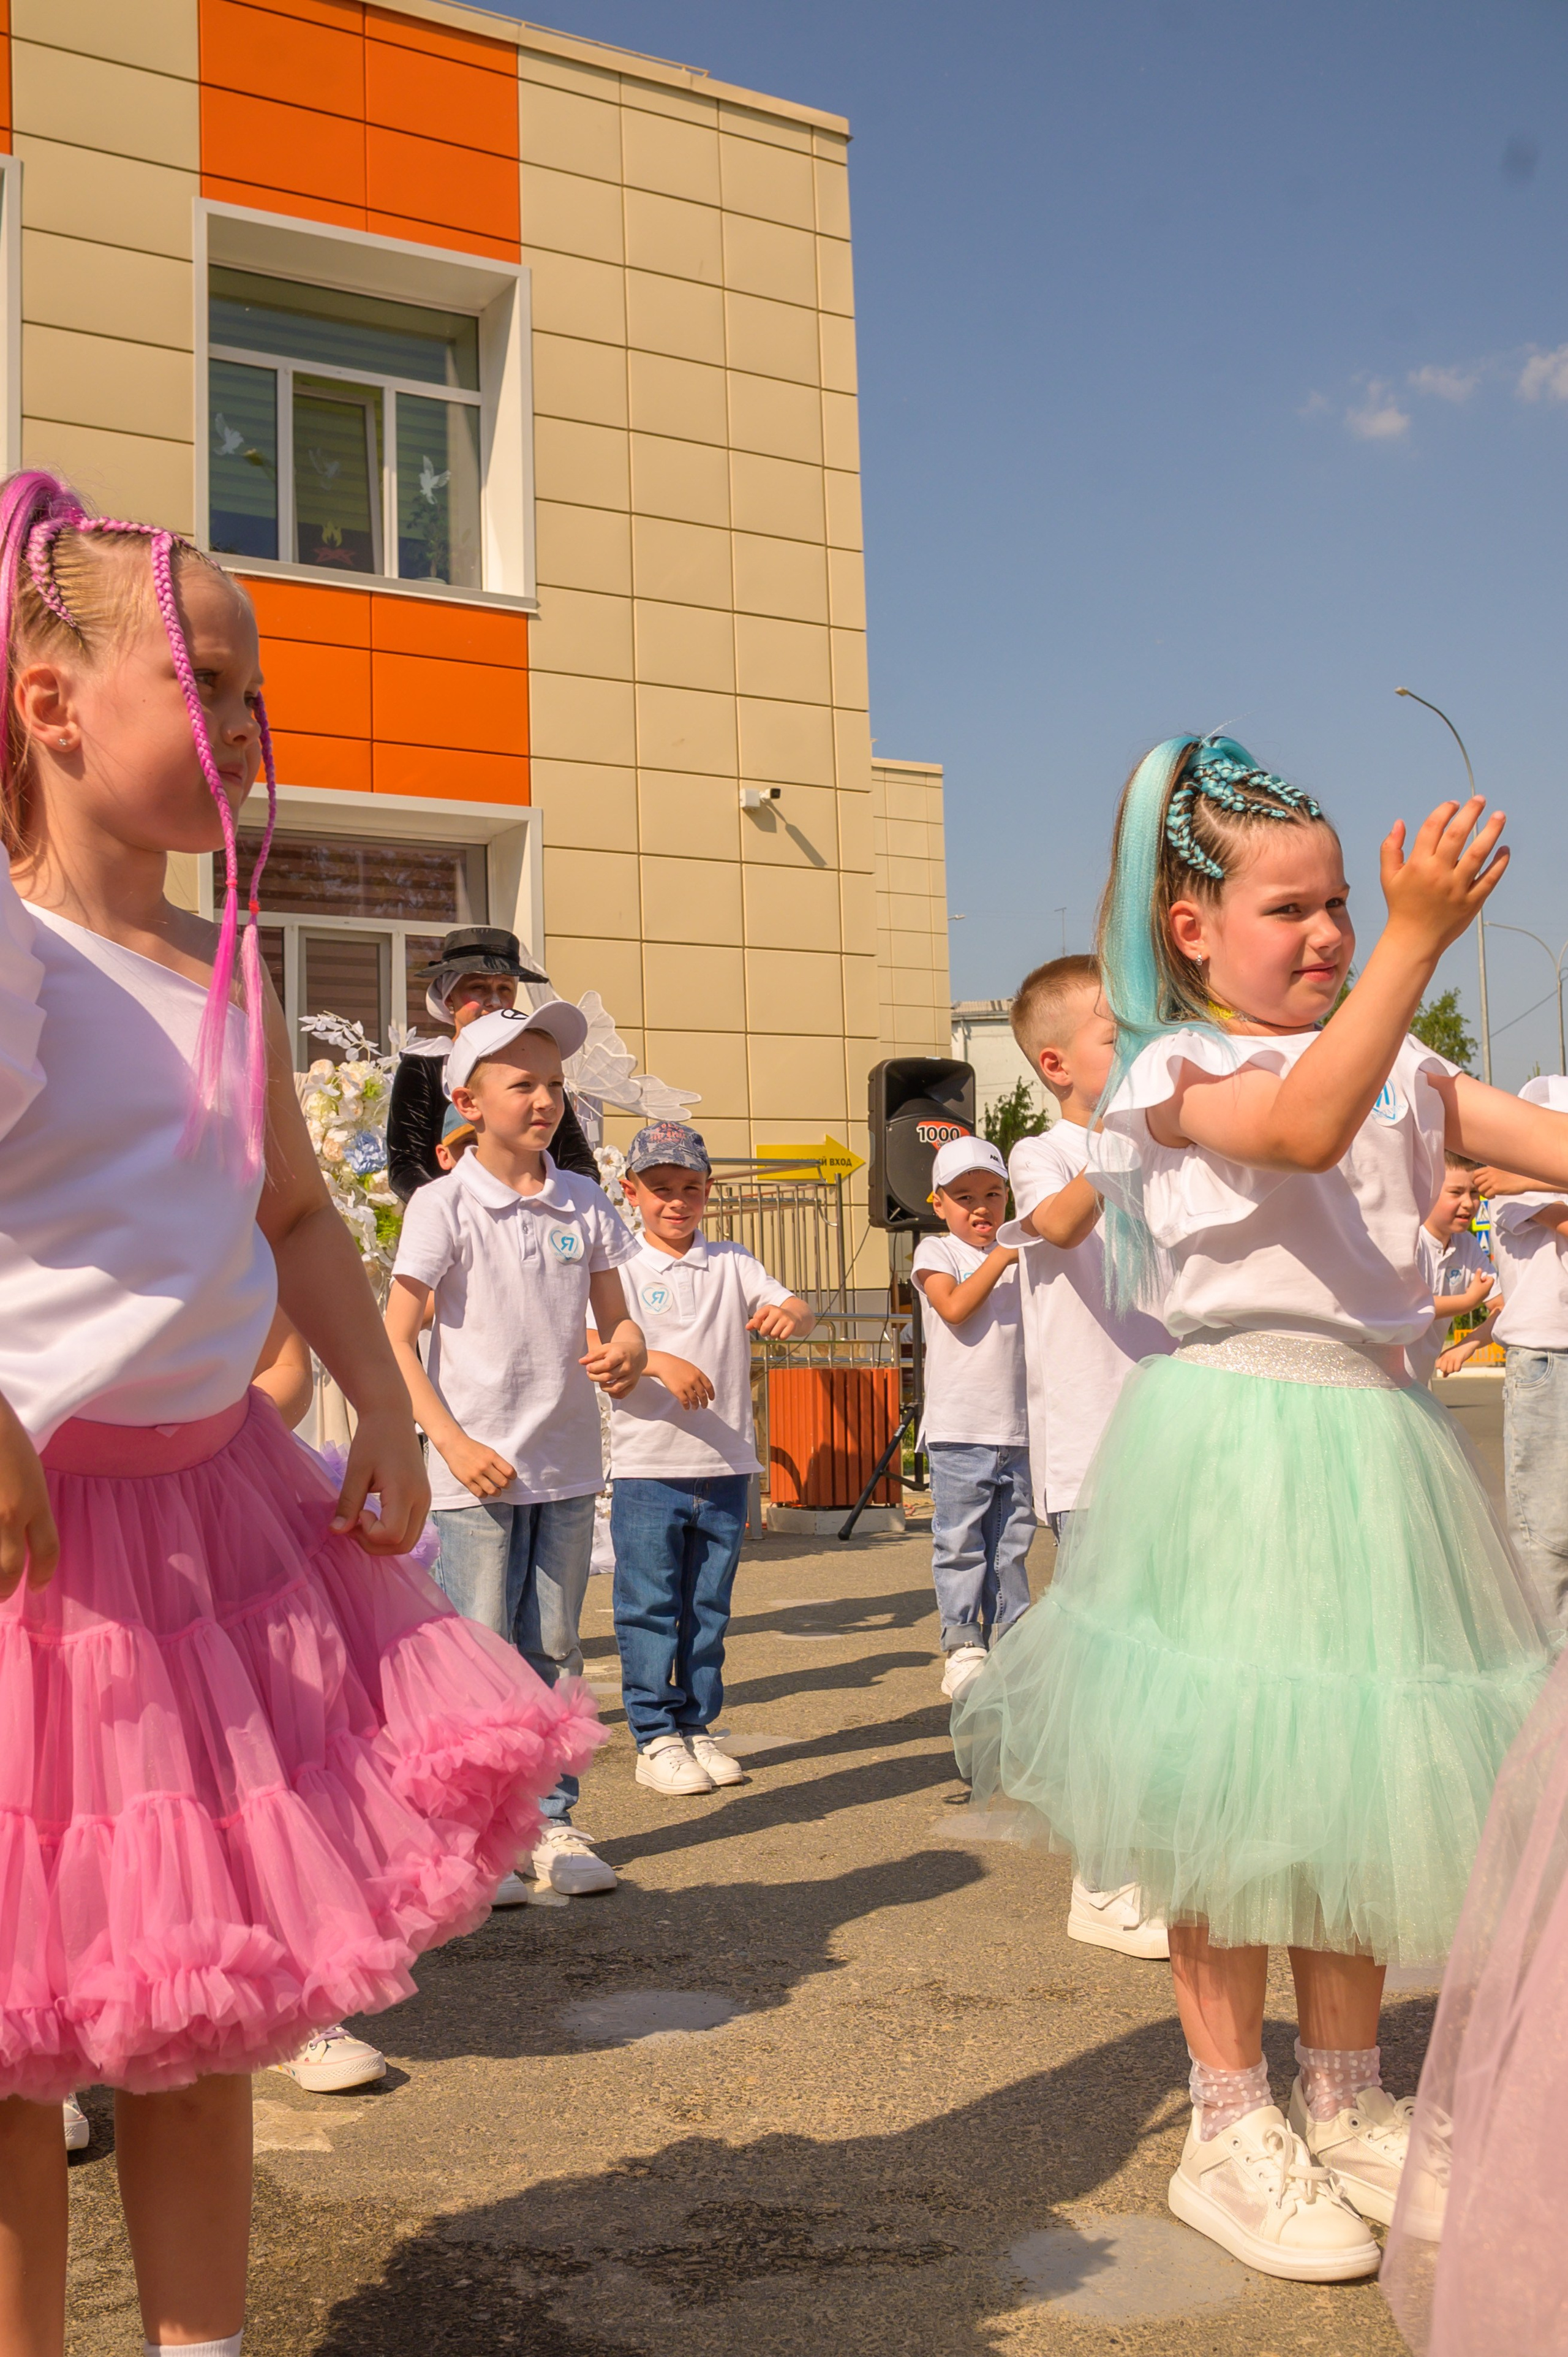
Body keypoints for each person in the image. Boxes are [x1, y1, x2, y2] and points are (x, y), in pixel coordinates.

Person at [0, 469, 601, 2357]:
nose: (250, 727)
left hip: (214, 1531)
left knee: (201, 1989)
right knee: (17, 2049)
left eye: (257, 693)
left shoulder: (219, 963)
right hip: (41, 1566)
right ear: (52, 704)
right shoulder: (14, 952)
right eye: (211, 681)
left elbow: (289, 1214)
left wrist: (384, 1406)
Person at [955, 733, 1564, 2283]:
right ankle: (1225, 2119)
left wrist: (1405, 993)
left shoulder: (1399, 1065)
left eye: (1342, 906)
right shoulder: (1169, 1067)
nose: (1328, 935)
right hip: (1232, 1437)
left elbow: (1532, 1139)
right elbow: (1295, 1129)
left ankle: (1347, 2096)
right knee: (1228, 1781)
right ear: (1188, 928)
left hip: (1378, 1434)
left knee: (1352, 1768)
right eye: (1288, 907)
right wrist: (1422, 939)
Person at [386, 1007, 646, 1896]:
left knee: (557, 1648)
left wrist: (629, 1348)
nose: (544, 1100)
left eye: (554, 1085)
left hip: (566, 1469)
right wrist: (449, 1442)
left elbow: (621, 1320)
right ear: (468, 1098)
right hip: (476, 1478)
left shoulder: (583, 1198)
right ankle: (472, 1837)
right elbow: (393, 1340)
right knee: (478, 1652)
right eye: (522, 1083)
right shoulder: (442, 1202)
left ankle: (554, 1822)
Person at [1001, 953, 1174, 1961]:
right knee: (1113, 1668)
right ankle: (1101, 1878)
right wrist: (1125, 1142)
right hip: (1097, 1456)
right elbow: (1060, 1225)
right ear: (1059, 1063)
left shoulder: (1153, 1153)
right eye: (1123, 1036)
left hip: (1179, 1439)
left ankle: (1154, 1852)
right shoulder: (1047, 1152)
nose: (1144, 1047)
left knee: (1169, 1665)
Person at [606, 1122, 813, 1796]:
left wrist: (791, 1313)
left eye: (689, 1188)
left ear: (708, 1191)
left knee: (708, 1608)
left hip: (726, 1468)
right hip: (647, 1467)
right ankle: (652, 1735)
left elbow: (793, 1306)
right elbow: (584, 1339)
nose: (675, 1201)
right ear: (630, 1190)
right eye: (660, 1188)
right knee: (648, 1606)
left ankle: (696, 1725)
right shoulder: (620, 1268)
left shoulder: (731, 1260)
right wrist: (656, 1361)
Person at [1439, 1077, 1568, 1627]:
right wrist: (1526, 1178)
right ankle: (1547, 1675)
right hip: (1549, 1361)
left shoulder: (1526, 1180)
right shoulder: (1522, 1192)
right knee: (1548, 1534)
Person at [910, 1136, 1033, 1705]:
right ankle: (962, 1640)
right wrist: (1004, 1255)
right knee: (961, 1539)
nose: (981, 1208)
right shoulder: (938, 1252)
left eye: (992, 1193)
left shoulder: (1028, 1254)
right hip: (961, 1428)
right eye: (964, 1197)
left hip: (1022, 1426)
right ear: (939, 1203)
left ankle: (1012, 1640)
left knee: (1012, 1543)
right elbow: (955, 1308)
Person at [386, 925, 600, 1200]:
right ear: (449, 997)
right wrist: (455, 1210)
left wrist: (553, 1205)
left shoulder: (533, 1061)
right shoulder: (425, 1065)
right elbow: (405, 1167)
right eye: (479, 988)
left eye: (505, 988)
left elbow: (577, 1161)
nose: (495, 1001)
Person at [1407, 1151, 1493, 1385]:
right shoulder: (1409, 1239)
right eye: (1456, 1193)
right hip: (1381, 1381)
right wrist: (1468, 1301)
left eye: (1474, 1193)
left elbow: (1503, 1308)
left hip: (1419, 1383)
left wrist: (1467, 1345)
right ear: (1428, 1191)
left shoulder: (1467, 1244)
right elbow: (1404, 1307)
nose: (1469, 1203)